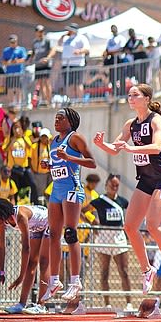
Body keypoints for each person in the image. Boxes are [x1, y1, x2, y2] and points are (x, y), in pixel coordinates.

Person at [93, 83, 161, 296]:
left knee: (152, 225)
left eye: (135, 95)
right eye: (129, 95)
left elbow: (156, 147)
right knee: (130, 226)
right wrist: (102, 145)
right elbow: (116, 148)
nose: (130, 98)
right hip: (146, 180)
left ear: (146, 99)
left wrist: (132, 148)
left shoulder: (156, 120)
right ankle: (146, 269)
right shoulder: (130, 124)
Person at [41, 108, 97, 302]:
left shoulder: (75, 138)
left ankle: (75, 282)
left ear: (71, 121)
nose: (56, 120)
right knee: (53, 235)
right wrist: (49, 166)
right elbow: (59, 166)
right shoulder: (53, 141)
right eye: (55, 117)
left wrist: (69, 158)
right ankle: (54, 280)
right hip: (56, 189)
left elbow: (92, 162)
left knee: (70, 233)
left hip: (72, 189)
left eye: (61, 117)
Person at [83, 173, 133, 310]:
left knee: (124, 271)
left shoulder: (122, 201)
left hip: (118, 236)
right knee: (104, 272)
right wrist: (92, 222)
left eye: (117, 185)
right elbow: (83, 211)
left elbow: (134, 212)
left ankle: (129, 303)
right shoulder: (99, 201)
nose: (114, 187)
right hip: (104, 234)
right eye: (112, 185)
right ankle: (107, 304)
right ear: (106, 185)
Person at [0, 199, 50, 314]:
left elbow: (26, 248)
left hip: (48, 221)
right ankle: (21, 304)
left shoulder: (20, 216)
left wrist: (21, 277)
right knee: (32, 263)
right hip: (35, 226)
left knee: (43, 262)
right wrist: (1, 272)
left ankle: (41, 304)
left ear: (2, 215)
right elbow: (1, 246)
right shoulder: (2, 222)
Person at [48, 23, 90, 101]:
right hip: (66, 64)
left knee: (78, 84)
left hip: (77, 64)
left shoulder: (81, 37)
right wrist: (63, 36)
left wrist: (79, 51)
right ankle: (72, 100)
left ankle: (80, 101)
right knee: (69, 84)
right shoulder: (66, 39)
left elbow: (87, 49)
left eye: (70, 29)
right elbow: (59, 44)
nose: (68, 31)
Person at [30, 25, 53, 105]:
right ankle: (44, 101)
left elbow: (53, 49)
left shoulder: (47, 40)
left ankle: (49, 100)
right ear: (36, 32)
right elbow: (33, 52)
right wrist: (30, 59)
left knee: (46, 81)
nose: (40, 33)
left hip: (46, 64)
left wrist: (47, 58)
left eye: (41, 31)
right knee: (40, 83)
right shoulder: (34, 42)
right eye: (38, 31)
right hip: (38, 65)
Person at [102, 24, 127, 98]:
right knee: (112, 78)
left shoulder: (121, 38)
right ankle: (115, 93)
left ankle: (122, 94)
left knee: (121, 77)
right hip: (112, 59)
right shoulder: (110, 39)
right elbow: (107, 49)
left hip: (119, 59)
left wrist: (112, 52)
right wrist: (106, 54)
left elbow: (121, 49)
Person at [1, 34, 27, 104]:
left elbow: (24, 59)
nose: (13, 44)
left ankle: (18, 103)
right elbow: (3, 62)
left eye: (14, 42)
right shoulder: (6, 50)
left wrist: (17, 61)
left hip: (18, 73)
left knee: (18, 88)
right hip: (9, 73)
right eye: (11, 42)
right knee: (10, 88)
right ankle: (11, 103)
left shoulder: (21, 49)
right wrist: (8, 62)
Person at [29, 127, 52, 204]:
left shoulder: (51, 146)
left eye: (46, 137)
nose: (44, 138)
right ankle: (40, 206)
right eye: (42, 136)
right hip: (39, 173)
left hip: (49, 173)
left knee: (49, 192)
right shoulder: (34, 146)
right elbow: (29, 158)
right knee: (40, 192)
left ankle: (48, 206)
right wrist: (33, 170)